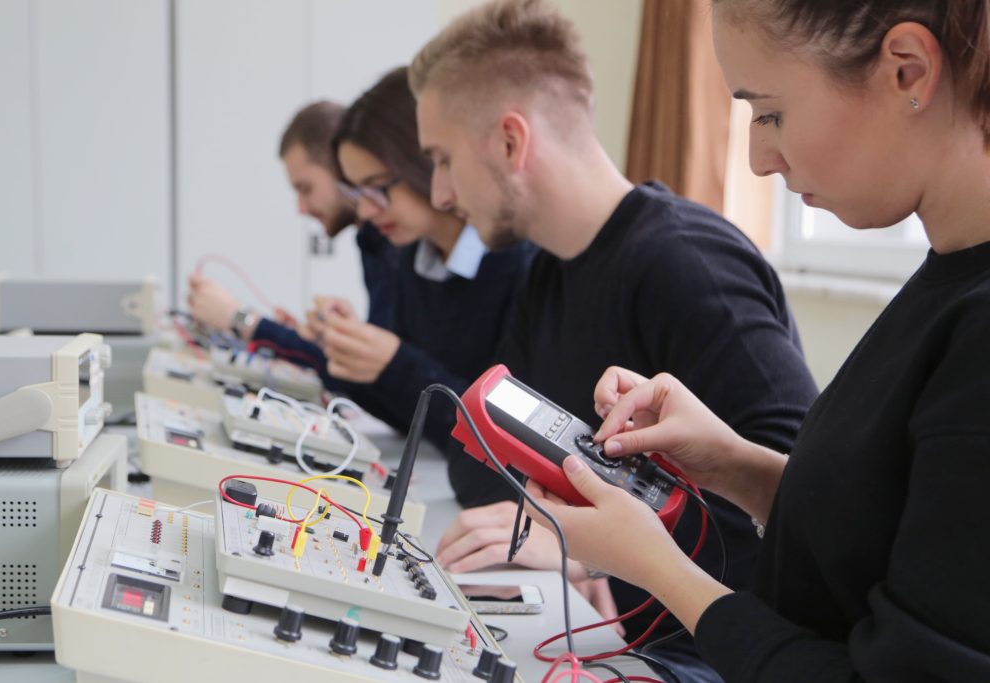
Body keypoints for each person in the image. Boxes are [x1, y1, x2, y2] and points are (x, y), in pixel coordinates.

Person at [521, 1, 990, 681]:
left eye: (769, 113)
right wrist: (736, 466)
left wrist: (657, 565)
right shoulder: (948, 275)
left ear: (906, 70)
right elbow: (891, 536)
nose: (759, 159)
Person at [410, 1, 818, 679]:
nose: (439, 192)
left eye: (442, 159)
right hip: (648, 635)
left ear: (511, 142)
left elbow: (808, 507)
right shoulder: (549, 272)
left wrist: (590, 552)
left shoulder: (686, 264)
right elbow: (477, 460)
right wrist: (576, 547)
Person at [310, 66, 535, 451]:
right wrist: (350, 350)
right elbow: (409, 409)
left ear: (426, 162)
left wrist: (394, 363)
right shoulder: (410, 256)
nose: (364, 212)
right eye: (358, 192)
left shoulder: (522, 264)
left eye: (377, 189)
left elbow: (512, 434)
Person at [187, 100, 399, 362]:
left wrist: (240, 318)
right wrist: (344, 336)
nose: (301, 208)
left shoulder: (394, 241)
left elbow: (374, 376)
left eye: (305, 188)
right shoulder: (371, 241)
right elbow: (376, 371)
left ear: (342, 169)